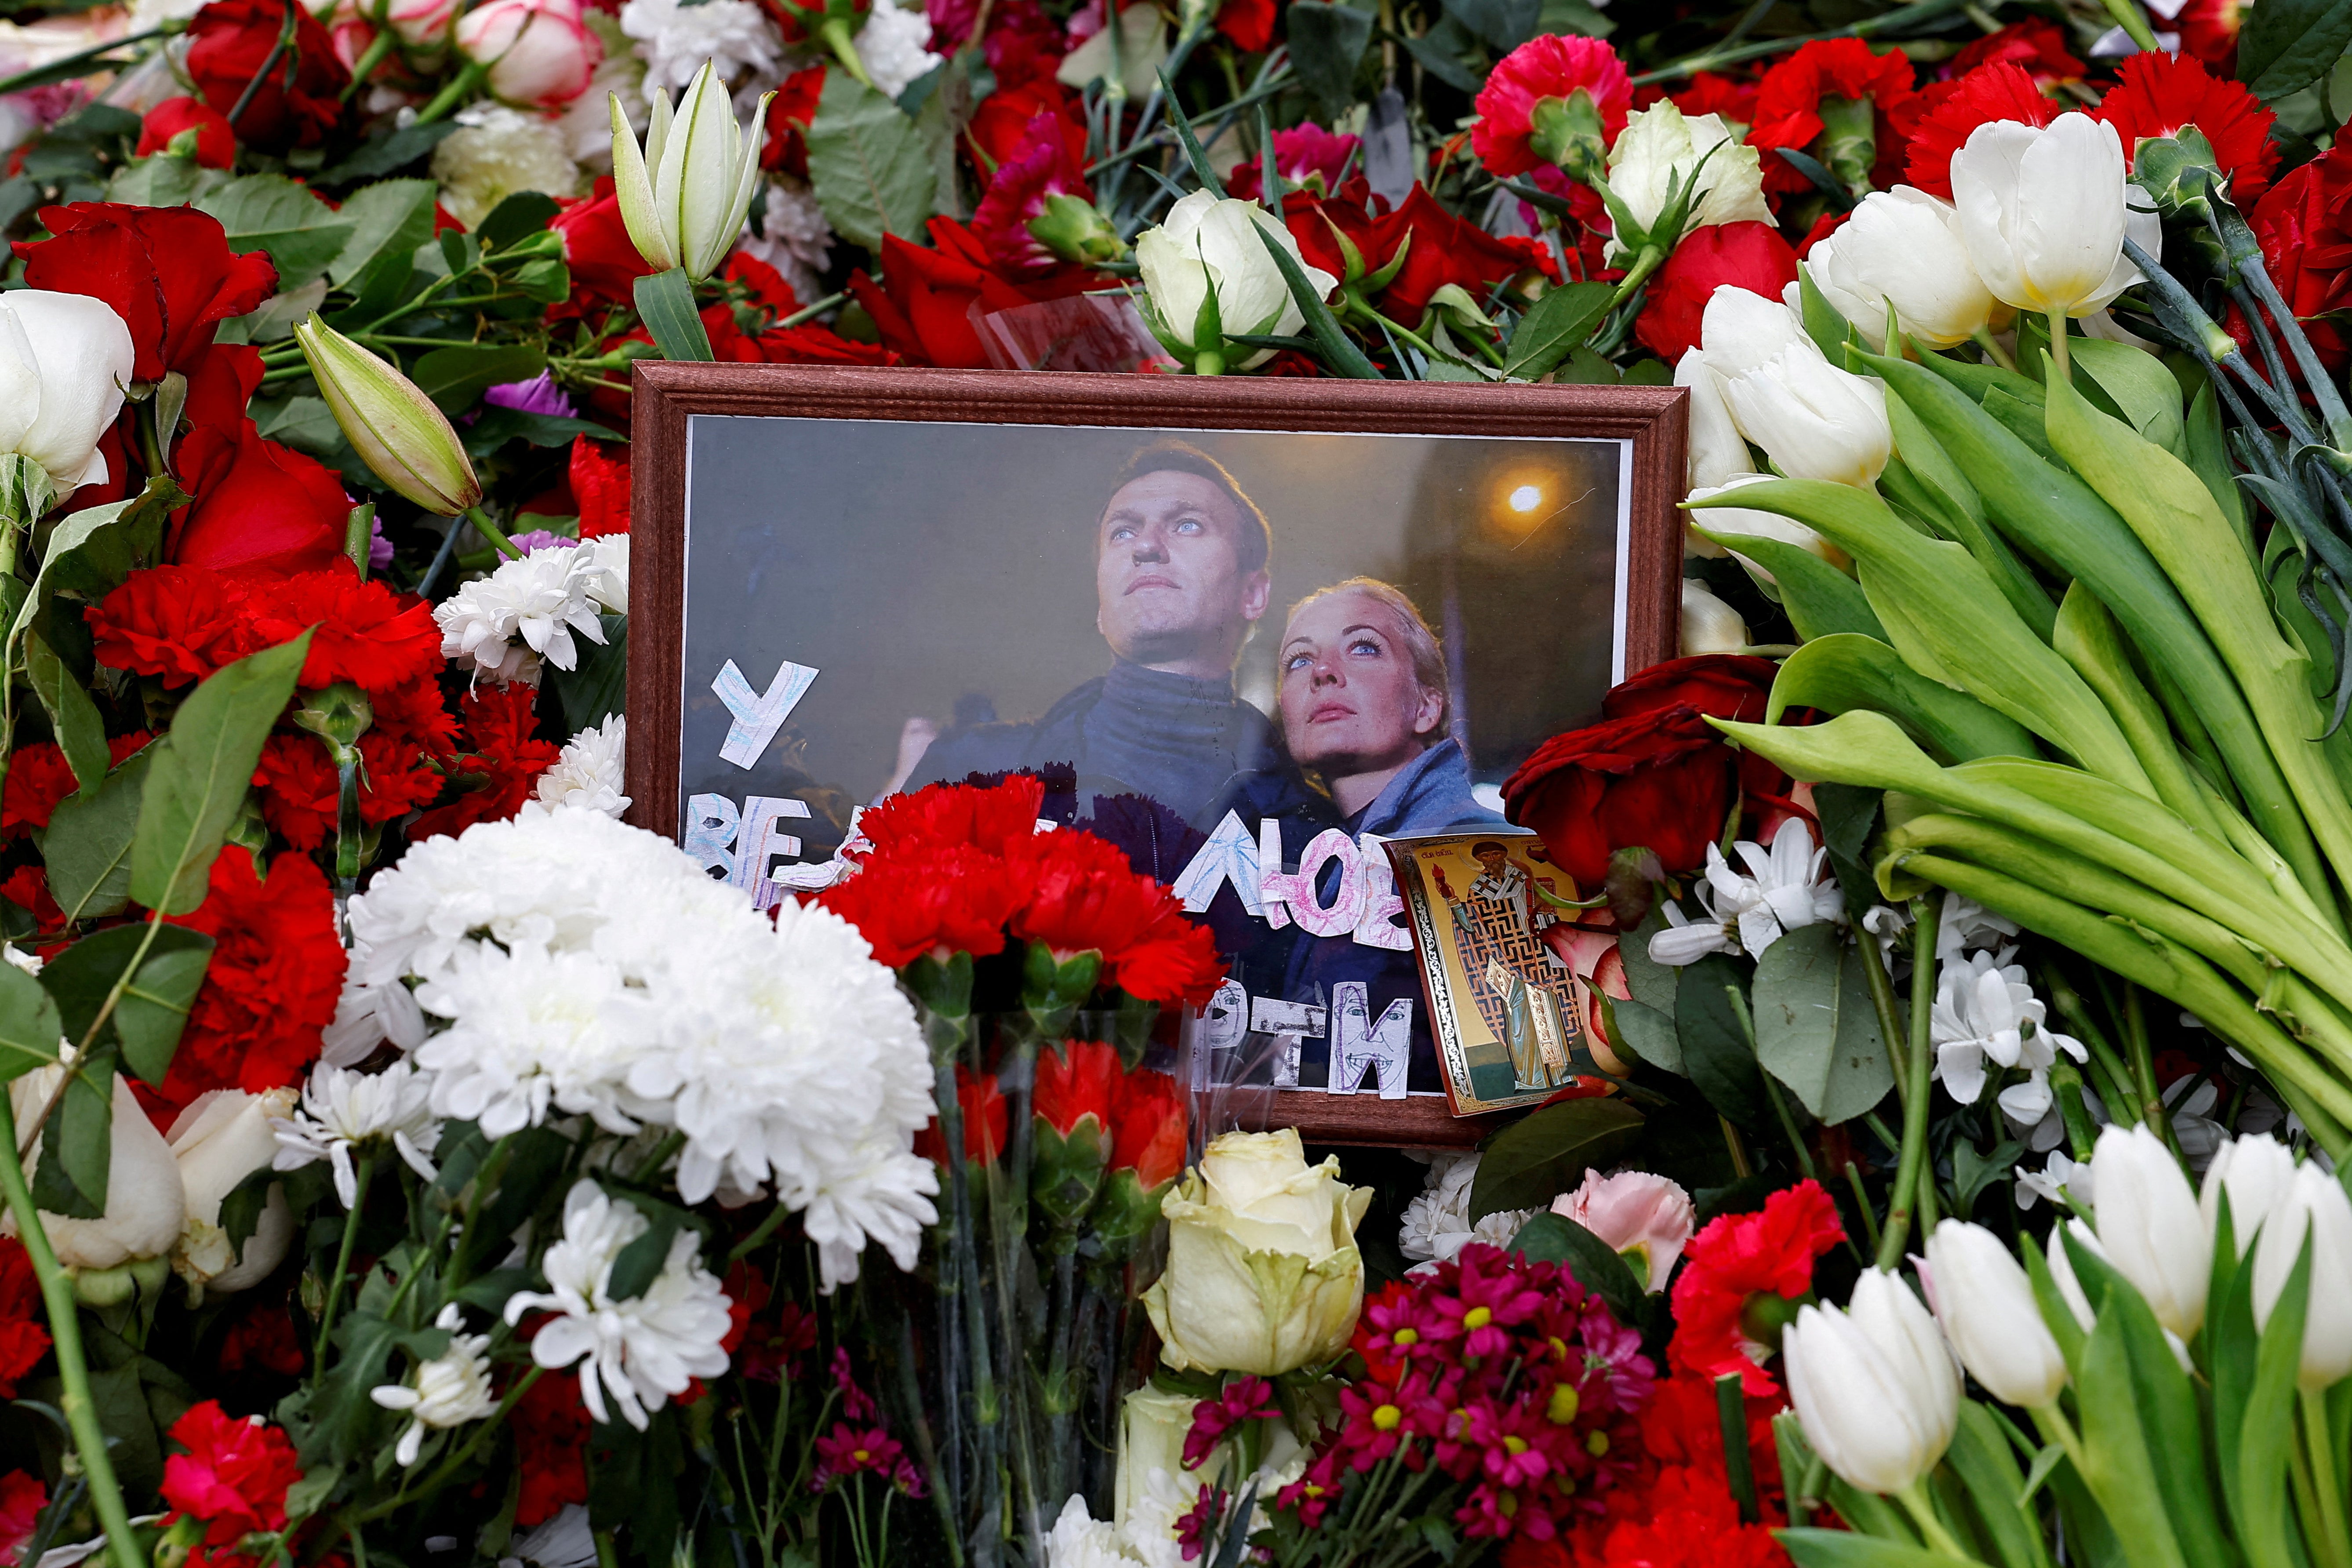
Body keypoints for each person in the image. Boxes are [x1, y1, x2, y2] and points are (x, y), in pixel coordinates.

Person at [1205, 578, 1517, 1092]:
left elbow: (1516, 1093)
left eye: (1363, 647)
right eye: (1298, 661)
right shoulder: (1321, 857)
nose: (1324, 672)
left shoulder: (1476, 857)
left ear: (1426, 706)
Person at [906, 441, 1280, 825]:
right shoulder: (967, 775)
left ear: (1252, 594)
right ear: (1102, 609)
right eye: (1122, 533)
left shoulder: (1302, 821)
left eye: (1188, 525)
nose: (1146, 546)